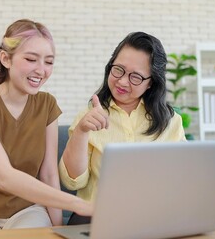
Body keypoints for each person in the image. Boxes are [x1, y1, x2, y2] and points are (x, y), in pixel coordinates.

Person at [0, 19, 92, 232]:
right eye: (31, 59)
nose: (41, 70)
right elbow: (4, 177)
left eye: (49, 62)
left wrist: (59, 229)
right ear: (5, 58)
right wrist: (78, 204)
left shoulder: (47, 105)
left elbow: (49, 174)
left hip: (27, 209)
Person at [59, 32, 186, 225]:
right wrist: (81, 132)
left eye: (135, 77)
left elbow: (181, 180)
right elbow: (73, 182)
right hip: (96, 216)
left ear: (151, 82)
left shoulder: (171, 122)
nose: (122, 81)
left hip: (152, 216)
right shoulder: (89, 117)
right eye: (118, 70)